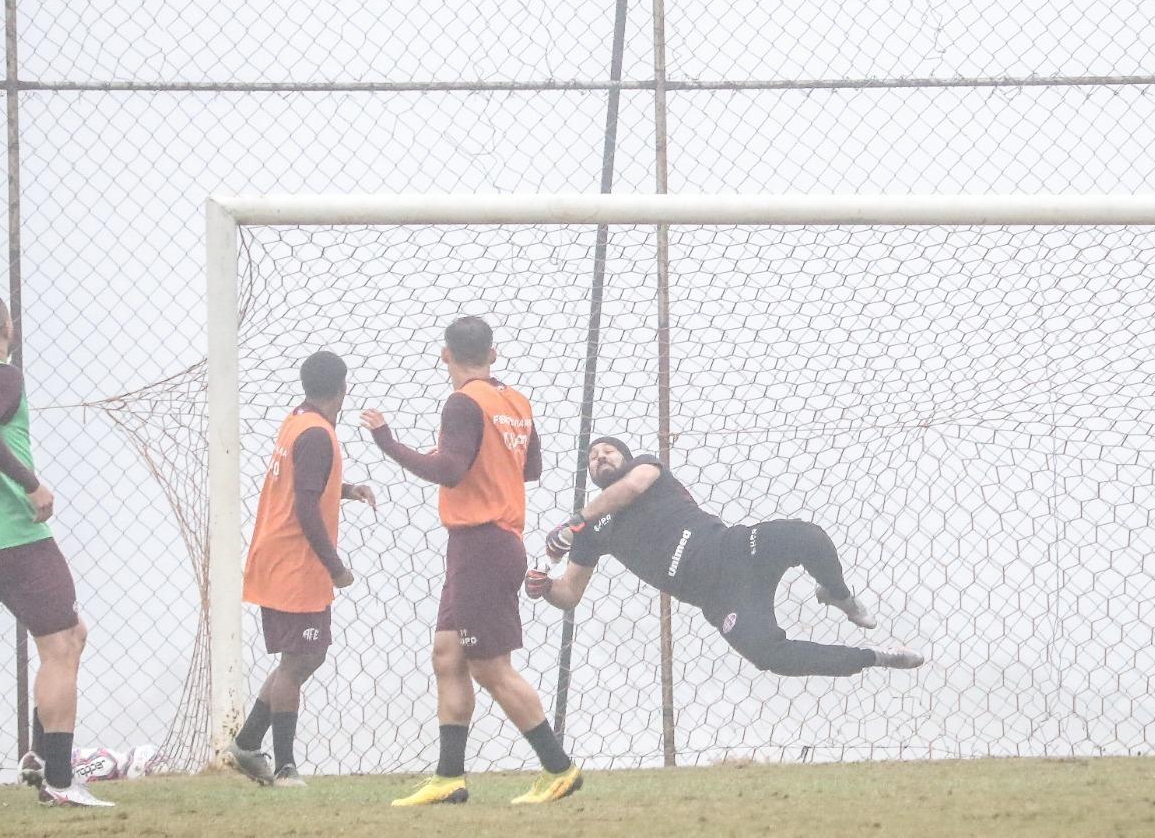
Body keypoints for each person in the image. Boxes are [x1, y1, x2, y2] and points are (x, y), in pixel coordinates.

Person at [361, 315, 581, 806]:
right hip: (482, 543)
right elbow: (533, 468)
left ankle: (559, 768)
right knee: (447, 654)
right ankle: (449, 778)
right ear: (494, 354)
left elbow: (450, 470)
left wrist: (387, 442)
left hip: (483, 541)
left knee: (490, 667)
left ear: (446, 356)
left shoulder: (463, 402)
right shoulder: (514, 400)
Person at [529, 436, 924, 679]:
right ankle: (874, 658)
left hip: (735, 548)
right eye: (593, 456)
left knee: (808, 537)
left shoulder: (645, 471)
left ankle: (838, 594)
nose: (600, 457)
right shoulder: (590, 531)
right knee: (768, 655)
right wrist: (545, 586)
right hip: (718, 597)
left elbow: (629, 489)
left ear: (628, 457)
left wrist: (575, 520)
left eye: (608, 450)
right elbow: (569, 595)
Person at [0, 292, 112, 808]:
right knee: (60, 647)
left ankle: (37, 755)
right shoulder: (1, 377)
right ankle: (58, 779)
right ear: (7, 327)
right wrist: (30, 484)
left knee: (71, 633)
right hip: (17, 536)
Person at [225, 350, 376, 788]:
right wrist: (336, 567)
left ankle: (248, 742)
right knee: (299, 659)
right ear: (343, 389)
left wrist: (347, 490)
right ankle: (286, 767)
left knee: (306, 655)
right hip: (295, 564)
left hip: (281, 560)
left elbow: (309, 485)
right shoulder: (315, 433)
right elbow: (305, 506)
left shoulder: (298, 421)